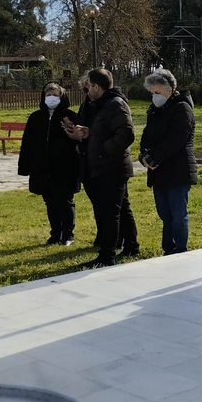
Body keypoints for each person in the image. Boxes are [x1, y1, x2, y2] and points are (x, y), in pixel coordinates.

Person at [65, 67, 138, 267]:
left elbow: (126, 134)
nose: (87, 89)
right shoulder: (97, 104)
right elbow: (100, 131)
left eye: (89, 85)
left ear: (97, 87)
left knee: (109, 212)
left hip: (112, 167)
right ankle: (131, 246)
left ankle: (107, 256)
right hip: (99, 165)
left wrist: (103, 150)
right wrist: (84, 133)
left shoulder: (115, 104)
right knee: (120, 208)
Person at [139, 69, 197, 255]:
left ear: (170, 89)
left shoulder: (182, 109)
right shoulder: (154, 111)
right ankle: (168, 249)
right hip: (159, 171)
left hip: (178, 170)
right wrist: (144, 155)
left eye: (157, 92)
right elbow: (146, 136)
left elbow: (175, 140)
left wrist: (154, 157)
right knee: (165, 214)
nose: (154, 97)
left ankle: (179, 250)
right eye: (152, 93)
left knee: (178, 215)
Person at [18, 82, 80, 246]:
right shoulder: (35, 117)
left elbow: (78, 140)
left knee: (65, 200)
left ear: (62, 97)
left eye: (55, 95)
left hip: (65, 167)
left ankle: (68, 234)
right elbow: (27, 143)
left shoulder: (70, 116)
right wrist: (25, 166)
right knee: (50, 201)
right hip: (42, 167)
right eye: (48, 95)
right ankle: (55, 234)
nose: (51, 98)